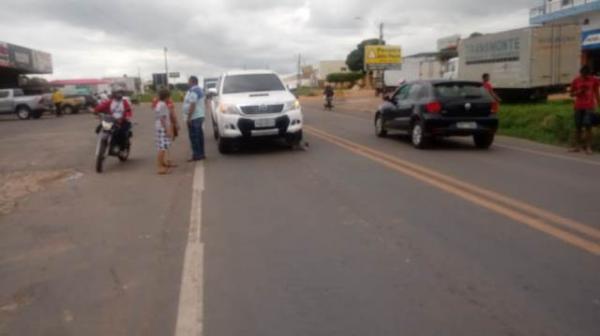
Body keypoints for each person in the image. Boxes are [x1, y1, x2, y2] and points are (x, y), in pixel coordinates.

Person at [569, 65, 600, 155]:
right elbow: (571, 94)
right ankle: (577, 147)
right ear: (581, 73)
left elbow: (596, 93)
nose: (585, 76)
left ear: (589, 73)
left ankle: (588, 148)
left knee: (588, 127)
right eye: (583, 74)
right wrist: (578, 92)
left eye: (587, 74)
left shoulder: (594, 80)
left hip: (589, 107)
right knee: (578, 127)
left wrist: (598, 103)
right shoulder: (576, 80)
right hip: (578, 106)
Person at [182, 76, 206, 161]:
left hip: (194, 117)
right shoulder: (199, 90)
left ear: (192, 82)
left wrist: (189, 117)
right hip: (199, 115)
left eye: (188, 81)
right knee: (199, 136)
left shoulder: (194, 90)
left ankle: (196, 155)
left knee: (194, 137)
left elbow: (193, 104)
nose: (187, 83)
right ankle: (201, 154)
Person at [154, 89, 174, 175]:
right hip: (162, 128)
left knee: (163, 146)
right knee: (162, 148)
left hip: (159, 127)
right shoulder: (162, 105)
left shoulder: (159, 104)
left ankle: (162, 163)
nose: (170, 98)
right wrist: (167, 129)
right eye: (169, 96)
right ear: (166, 97)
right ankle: (160, 167)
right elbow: (163, 118)